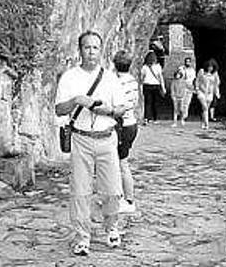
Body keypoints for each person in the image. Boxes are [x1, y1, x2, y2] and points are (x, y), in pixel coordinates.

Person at [55, 31, 124, 256]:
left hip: (107, 137)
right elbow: (58, 109)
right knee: (80, 191)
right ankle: (82, 236)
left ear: (101, 50)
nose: (91, 52)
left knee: (113, 190)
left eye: (95, 47)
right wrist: (77, 100)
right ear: (80, 50)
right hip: (81, 138)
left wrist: (109, 110)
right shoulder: (70, 77)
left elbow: (122, 107)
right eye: (87, 47)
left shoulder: (111, 78)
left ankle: (111, 227)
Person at [112, 50, 139, 214]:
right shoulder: (132, 81)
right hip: (131, 124)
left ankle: (128, 200)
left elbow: (116, 106)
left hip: (121, 126)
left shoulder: (117, 83)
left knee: (121, 164)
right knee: (117, 162)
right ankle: (118, 197)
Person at [140, 51, 165, 123]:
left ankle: (146, 118)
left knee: (147, 102)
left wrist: (141, 86)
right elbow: (160, 78)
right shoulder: (158, 66)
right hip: (155, 85)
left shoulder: (144, 67)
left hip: (146, 85)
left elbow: (142, 77)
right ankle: (155, 118)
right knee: (155, 102)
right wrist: (163, 87)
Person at [195, 59, 221, 130]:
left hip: (210, 93)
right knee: (205, 107)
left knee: (205, 109)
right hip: (201, 92)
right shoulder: (201, 71)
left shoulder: (215, 74)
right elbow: (197, 80)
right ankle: (207, 124)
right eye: (209, 66)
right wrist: (197, 89)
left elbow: (216, 84)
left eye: (212, 67)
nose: (210, 68)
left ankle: (203, 123)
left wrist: (217, 93)